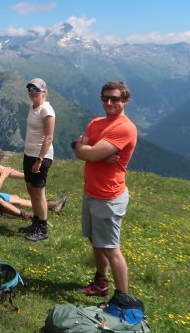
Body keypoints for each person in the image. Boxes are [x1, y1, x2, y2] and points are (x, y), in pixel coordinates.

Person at [73, 81, 137, 302]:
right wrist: (83, 148)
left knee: (110, 247)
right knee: (95, 240)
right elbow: (81, 151)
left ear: (125, 101)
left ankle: (123, 297)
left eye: (115, 99)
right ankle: (101, 282)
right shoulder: (96, 122)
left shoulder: (124, 127)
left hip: (109, 196)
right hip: (92, 192)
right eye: (105, 98)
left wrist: (88, 150)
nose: (109, 103)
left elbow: (87, 154)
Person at [0, 145, 66, 219]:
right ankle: (24, 215)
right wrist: (3, 176)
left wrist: (29, 176)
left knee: (16, 198)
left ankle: (50, 205)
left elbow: (7, 171)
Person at [22, 78, 58, 241]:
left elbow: (49, 137)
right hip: (28, 154)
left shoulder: (46, 110)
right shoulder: (33, 106)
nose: (33, 93)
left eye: (36, 90)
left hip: (40, 156)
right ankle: (36, 223)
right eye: (30, 89)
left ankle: (42, 229)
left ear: (44, 91)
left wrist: (39, 160)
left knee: (38, 192)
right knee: (31, 189)